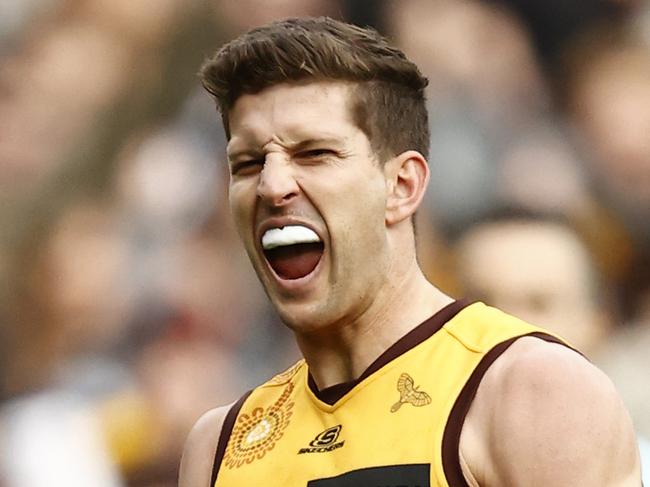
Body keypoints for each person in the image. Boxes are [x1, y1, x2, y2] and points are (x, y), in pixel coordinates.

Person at [179, 17, 641, 486]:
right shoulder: (219, 445)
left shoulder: (528, 390)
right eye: (248, 163)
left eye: (315, 153)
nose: (272, 186)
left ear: (402, 185)